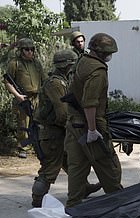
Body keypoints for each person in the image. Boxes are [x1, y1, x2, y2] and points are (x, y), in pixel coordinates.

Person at [30, 49, 101, 207]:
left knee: (71, 162)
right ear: (67, 66)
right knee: (50, 167)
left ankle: (83, 187)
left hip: (58, 131)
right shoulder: (55, 84)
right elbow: (62, 113)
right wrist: (76, 127)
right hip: (52, 133)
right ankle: (38, 198)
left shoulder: (63, 81)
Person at [64, 33, 123, 207]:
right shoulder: (98, 71)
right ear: (102, 52)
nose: (110, 56)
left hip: (73, 123)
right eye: (109, 52)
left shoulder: (81, 62)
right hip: (90, 125)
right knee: (108, 165)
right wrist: (92, 130)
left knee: (77, 167)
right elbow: (90, 103)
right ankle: (120, 205)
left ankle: (73, 206)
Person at [3, 38, 45, 158]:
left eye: (32, 49)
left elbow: (44, 79)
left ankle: (36, 144)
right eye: (27, 49)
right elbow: (7, 82)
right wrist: (18, 96)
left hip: (36, 97)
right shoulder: (14, 63)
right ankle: (23, 147)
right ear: (21, 51)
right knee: (24, 124)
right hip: (23, 98)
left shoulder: (37, 63)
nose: (30, 52)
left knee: (38, 122)